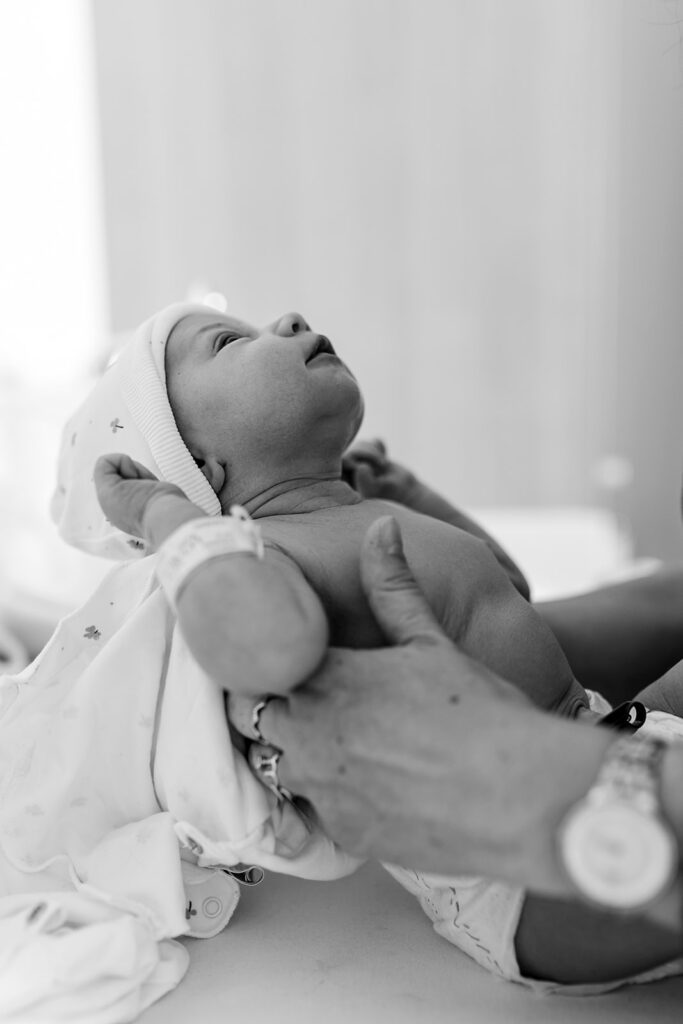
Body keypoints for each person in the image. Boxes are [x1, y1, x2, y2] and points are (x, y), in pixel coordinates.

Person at [87, 302, 683, 989]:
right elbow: (265, 651)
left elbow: (505, 595)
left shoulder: (366, 514)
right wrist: (169, 522)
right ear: (199, 468)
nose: (285, 317)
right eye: (229, 342)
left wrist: (414, 494)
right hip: (512, 876)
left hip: (602, 745)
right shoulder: (268, 556)